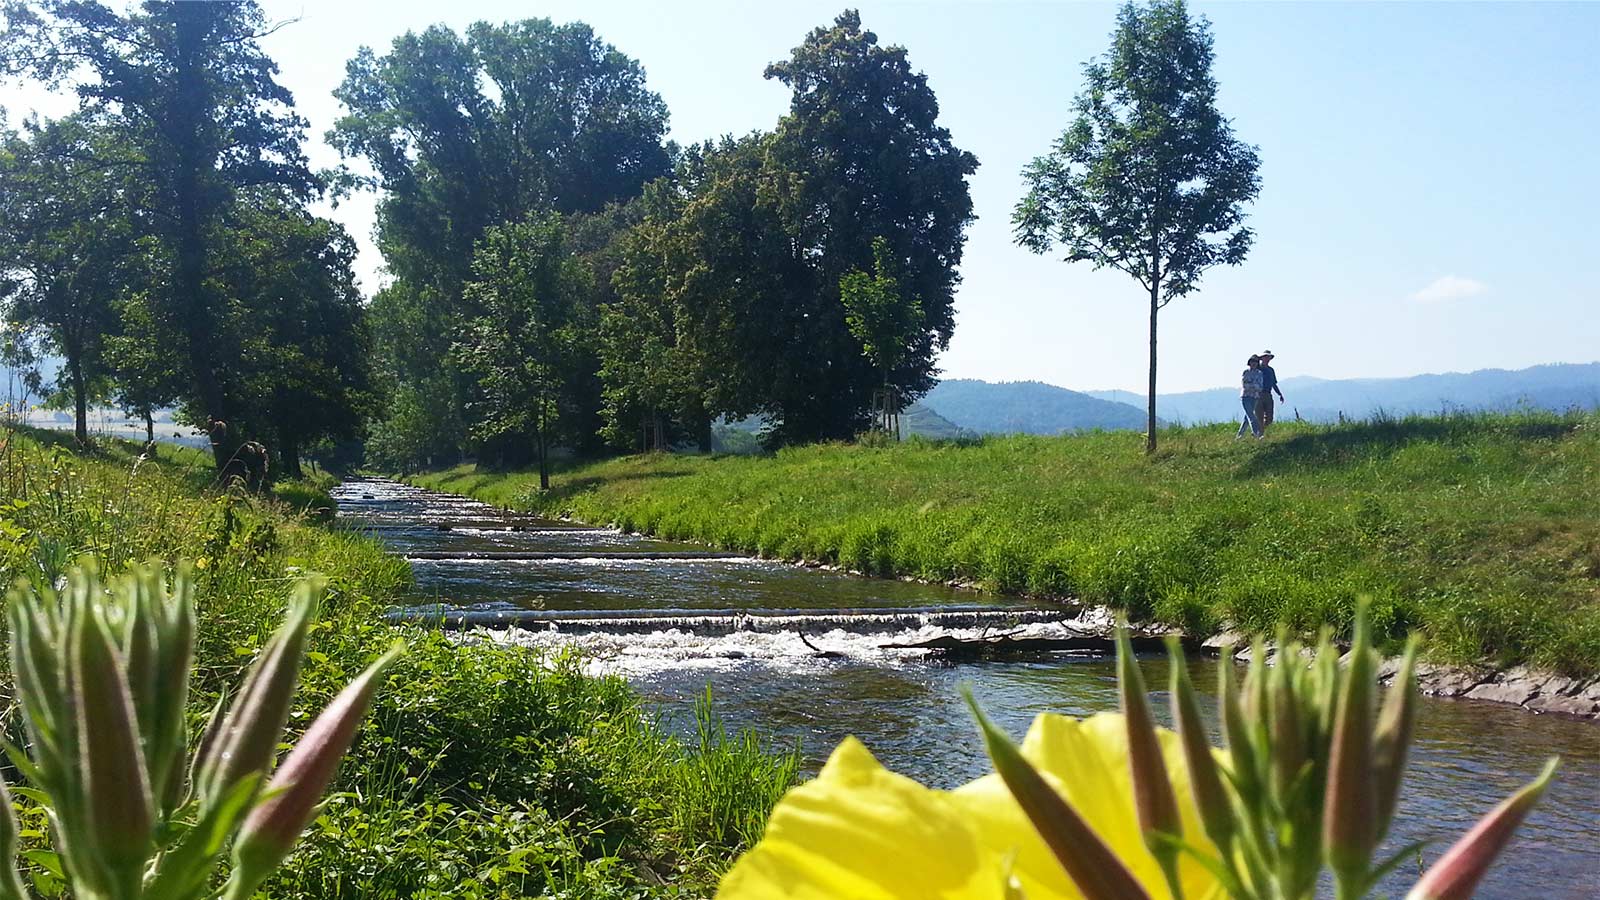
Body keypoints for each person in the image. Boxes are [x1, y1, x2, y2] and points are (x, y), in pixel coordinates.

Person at [1255, 350, 1285, 433]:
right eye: (1265, 357)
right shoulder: (1257, 368)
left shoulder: (1271, 370)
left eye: (1268, 357)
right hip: (1258, 395)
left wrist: (1279, 394)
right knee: (1259, 416)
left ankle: (1264, 432)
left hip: (1268, 394)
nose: (1267, 359)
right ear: (1262, 358)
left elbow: (1273, 383)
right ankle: (1259, 434)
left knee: (1269, 417)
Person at [1238, 355, 1264, 439]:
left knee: (1247, 418)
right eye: (1252, 362)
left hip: (1255, 398)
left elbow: (1260, 387)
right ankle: (1256, 434)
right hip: (1245, 397)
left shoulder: (1259, 373)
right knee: (1252, 416)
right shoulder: (1246, 372)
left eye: (1256, 362)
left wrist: (1251, 384)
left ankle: (1239, 436)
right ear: (1249, 363)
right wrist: (1254, 385)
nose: (1254, 363)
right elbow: (1244, 384)